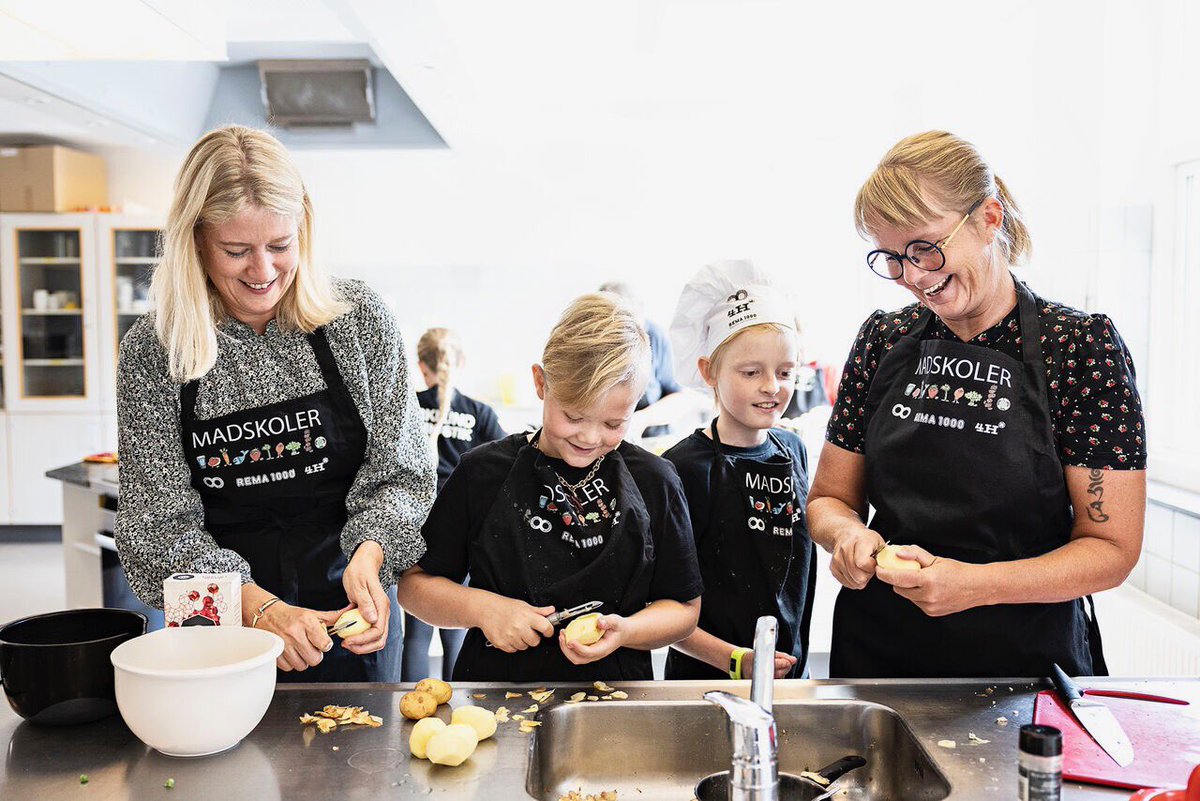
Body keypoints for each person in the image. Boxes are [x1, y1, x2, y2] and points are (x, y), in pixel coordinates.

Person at [808, 131, 1146, 678]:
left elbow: (1111, 547)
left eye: (926, 247)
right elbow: (828, 499)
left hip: (1025, 668)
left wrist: (974, 586)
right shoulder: (882, 340)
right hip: (880, 659)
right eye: (892, 258)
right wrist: (847, 536)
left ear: (989, 218)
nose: (914, 276)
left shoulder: (1079, 349)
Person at [115, 125, 435, 681]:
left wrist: (374, 551)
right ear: (195, 242)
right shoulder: (155, 351)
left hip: (351, 621)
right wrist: (256, 607)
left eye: (280, 247)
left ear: (303, 231)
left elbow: (402, 475)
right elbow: (157, 527)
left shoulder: (358, 322)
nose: (263, 273)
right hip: (220, 632)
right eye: (236, 251)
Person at [397, 293, 704, 681]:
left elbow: (683, 610)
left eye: (613, 423)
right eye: (574, 416)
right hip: (491, 694)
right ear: (541, 383)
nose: (590, 437)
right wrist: (482, 608)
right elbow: (414, 587)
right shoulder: (482, 472)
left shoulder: (656, 481)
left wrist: (627, 631)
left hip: (615, 698)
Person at [661, 261, 816, 680]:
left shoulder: (795, 450)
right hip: (704, 680)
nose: (771, 386)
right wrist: (735, 660)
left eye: (786, 373)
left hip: (787, 679)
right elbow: (662, 609)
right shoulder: (681, 469)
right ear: (709, 371)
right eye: (751, 373)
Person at [401, 327, 506, 681]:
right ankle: (455, 703)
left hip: (413, 522)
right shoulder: (480, 413)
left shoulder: (407, 407)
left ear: (420, 364)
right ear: (461, 361)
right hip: (460, 526)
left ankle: (415, 704)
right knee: (456, 620)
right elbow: (509, 468)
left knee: (416, 630)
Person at [598, 281, 697, 439]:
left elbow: (682, 398)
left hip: (649, 439)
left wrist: (641, 419)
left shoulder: (657, 338)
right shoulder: (589, 344)